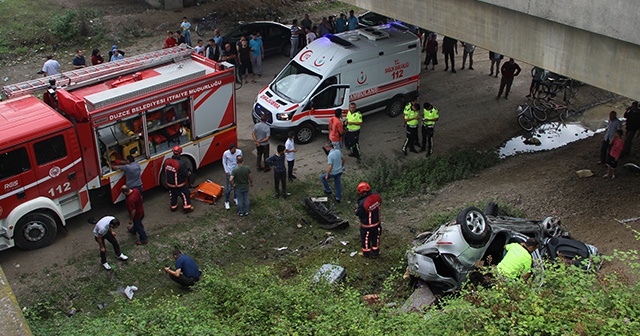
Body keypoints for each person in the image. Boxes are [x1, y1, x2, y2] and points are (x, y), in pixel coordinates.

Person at [355, 182, 382, 258]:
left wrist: (356, 210)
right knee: (376, 238)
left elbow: (358, 213)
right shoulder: (377, 196)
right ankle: (376, 252)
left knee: (365, 239)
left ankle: (366, 253)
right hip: (377, 223)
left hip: (367, 226)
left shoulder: (363, 203)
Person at [163, 146, 194, 213]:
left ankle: (173, 207)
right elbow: (184, 173)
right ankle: (187, 207)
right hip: (179, 184)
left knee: (173, 195)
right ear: (180, 152)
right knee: (185, 194)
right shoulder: (180, 163)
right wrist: (189, 173)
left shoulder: (167, 161)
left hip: (170, 183)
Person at [222, 143, 243, 210]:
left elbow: (241, 160)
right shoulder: (226, 153)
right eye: (231, 150)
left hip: (237, 172)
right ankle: (227, 201)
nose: (232, 151)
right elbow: (224, 162)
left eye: (233, 150)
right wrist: (226, 171)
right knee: (229, 188)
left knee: (237, 185)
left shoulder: (239, 152)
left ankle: (235, 197)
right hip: (230, 172)